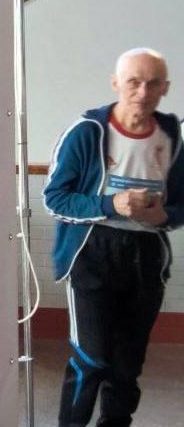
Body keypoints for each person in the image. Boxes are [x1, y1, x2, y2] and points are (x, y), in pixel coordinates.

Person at [43, 48, 183, 427]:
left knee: (127, 364)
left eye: (153, 83)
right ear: (116, 83)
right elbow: (54, 198)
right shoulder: (87, 132)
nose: (143, 92)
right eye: (134, 81)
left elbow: (181, 205)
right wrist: (111, 204)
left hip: (146, 257)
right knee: (91, 357)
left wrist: (163, 216)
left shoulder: (171, 136)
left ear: (165, 88)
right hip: (91, 252)